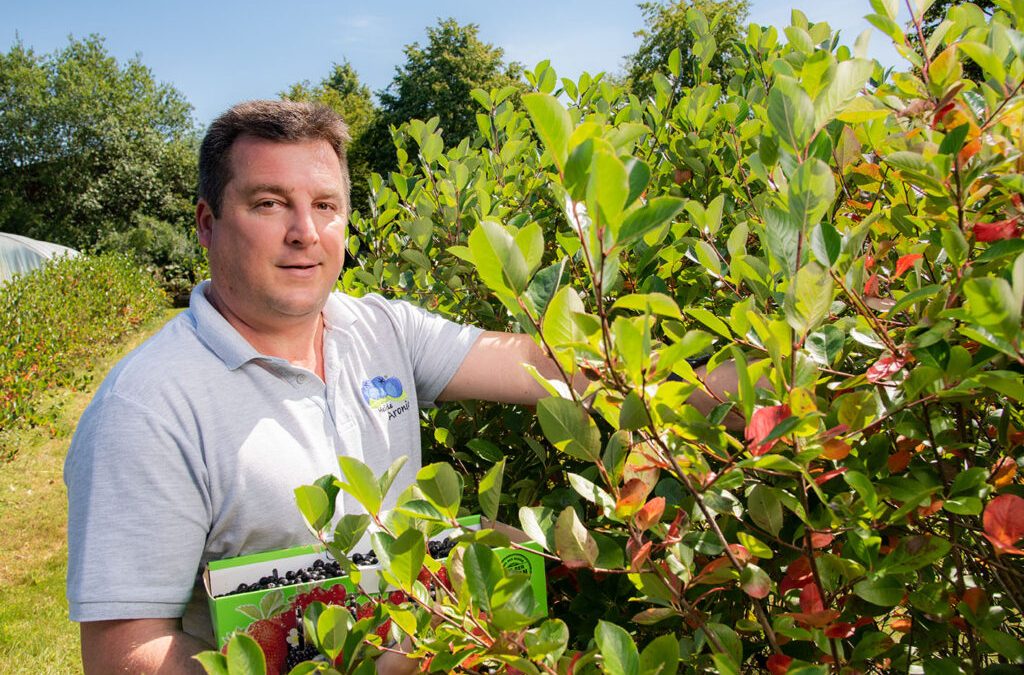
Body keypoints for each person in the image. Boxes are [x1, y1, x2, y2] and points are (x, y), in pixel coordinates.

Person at [64, 100, 739, 674]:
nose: (305, 232)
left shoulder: (379, 327)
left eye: (325, 205)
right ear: (208, 223)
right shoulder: (150, 406)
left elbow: (544, 363)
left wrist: (734, 384)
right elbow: (125, 649)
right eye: (269, 203)